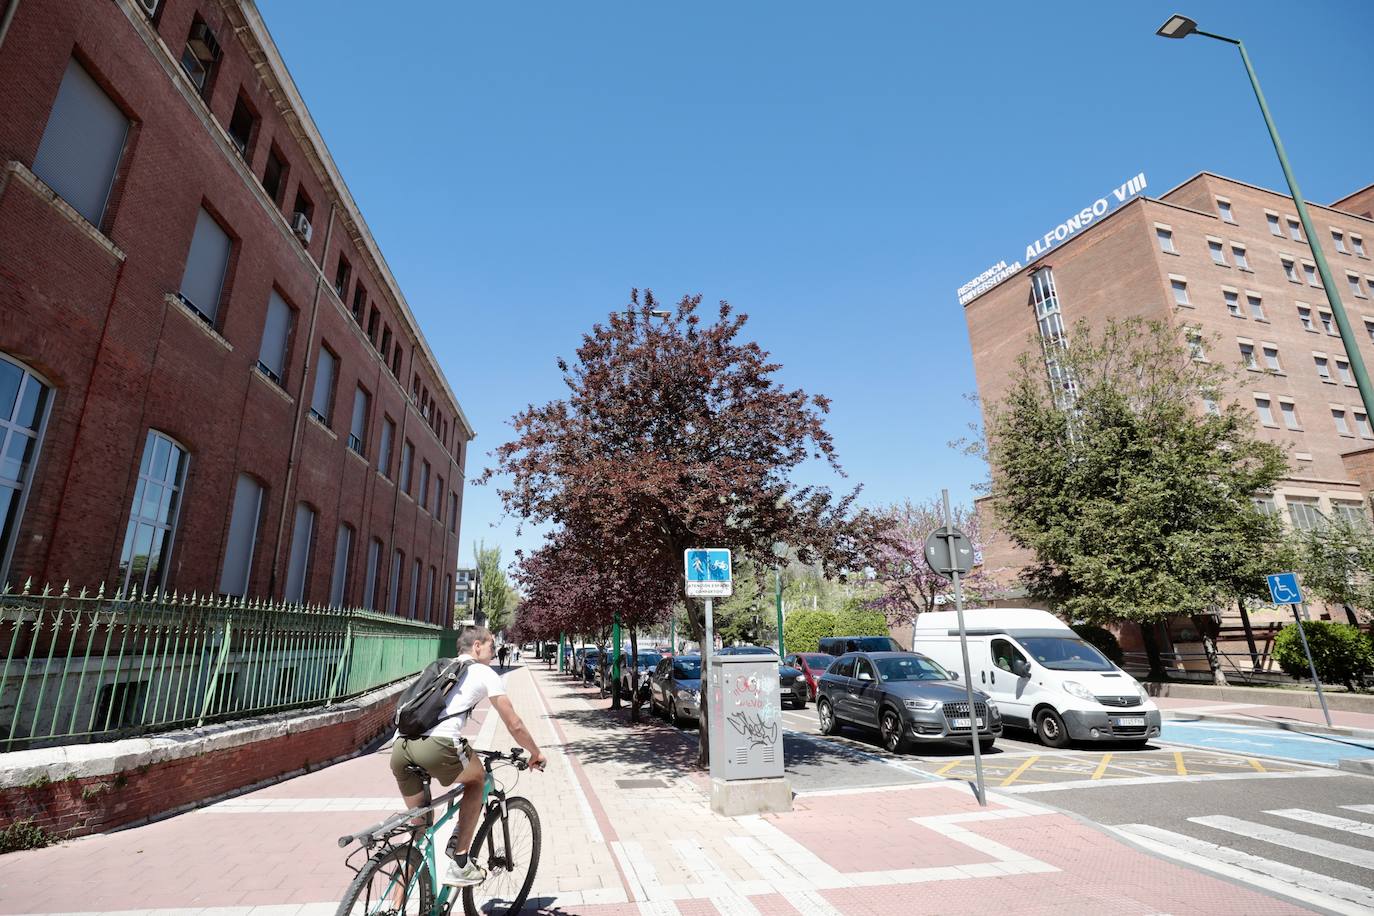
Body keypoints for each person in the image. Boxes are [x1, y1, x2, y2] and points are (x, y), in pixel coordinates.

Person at [390, 626, 547, 887]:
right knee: (478, 780)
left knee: (417, 830)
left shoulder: (441, 666)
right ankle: (460, 862)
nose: (495, 651)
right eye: (491, 646)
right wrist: (535, 753)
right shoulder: (484, 672)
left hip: (401, 747)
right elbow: (514, 723)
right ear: (476, 646)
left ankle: (395, 905)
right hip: (439, 746)